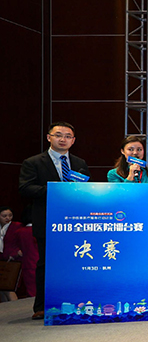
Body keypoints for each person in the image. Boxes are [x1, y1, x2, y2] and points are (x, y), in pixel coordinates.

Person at [18, 122, 90, 320]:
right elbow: (25, 188)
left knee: (75, 262)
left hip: (75, 223)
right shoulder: (33, 162)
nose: (63, 139)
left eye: (67, 136)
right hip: (47, 221)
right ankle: (42, 306)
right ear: (49, 137)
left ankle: (76, 302)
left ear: (73, 141)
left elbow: (84, 189)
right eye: (58, 135)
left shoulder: (80, 163)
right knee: (47, 263)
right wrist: (56, 189)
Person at [0, 207, 22, 302]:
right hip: (1, 258)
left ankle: (15, 307)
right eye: (4, 216)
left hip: (12, 260)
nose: (7, 218)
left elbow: (22, 241)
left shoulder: (17, 226)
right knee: (2, 288)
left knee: (9, 287)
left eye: (10, 215)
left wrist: (17, 252)